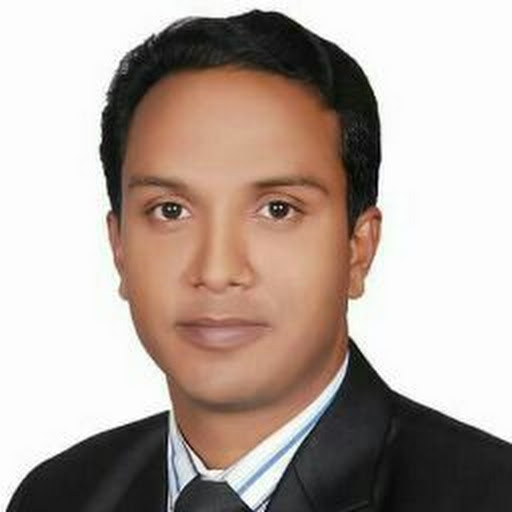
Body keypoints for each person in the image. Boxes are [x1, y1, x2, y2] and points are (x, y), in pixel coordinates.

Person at [6, 8, 512, 512]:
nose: (217, 271)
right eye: (170, 210)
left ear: (358, 247)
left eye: (277, 210)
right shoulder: (57, 496)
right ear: (119, 246)